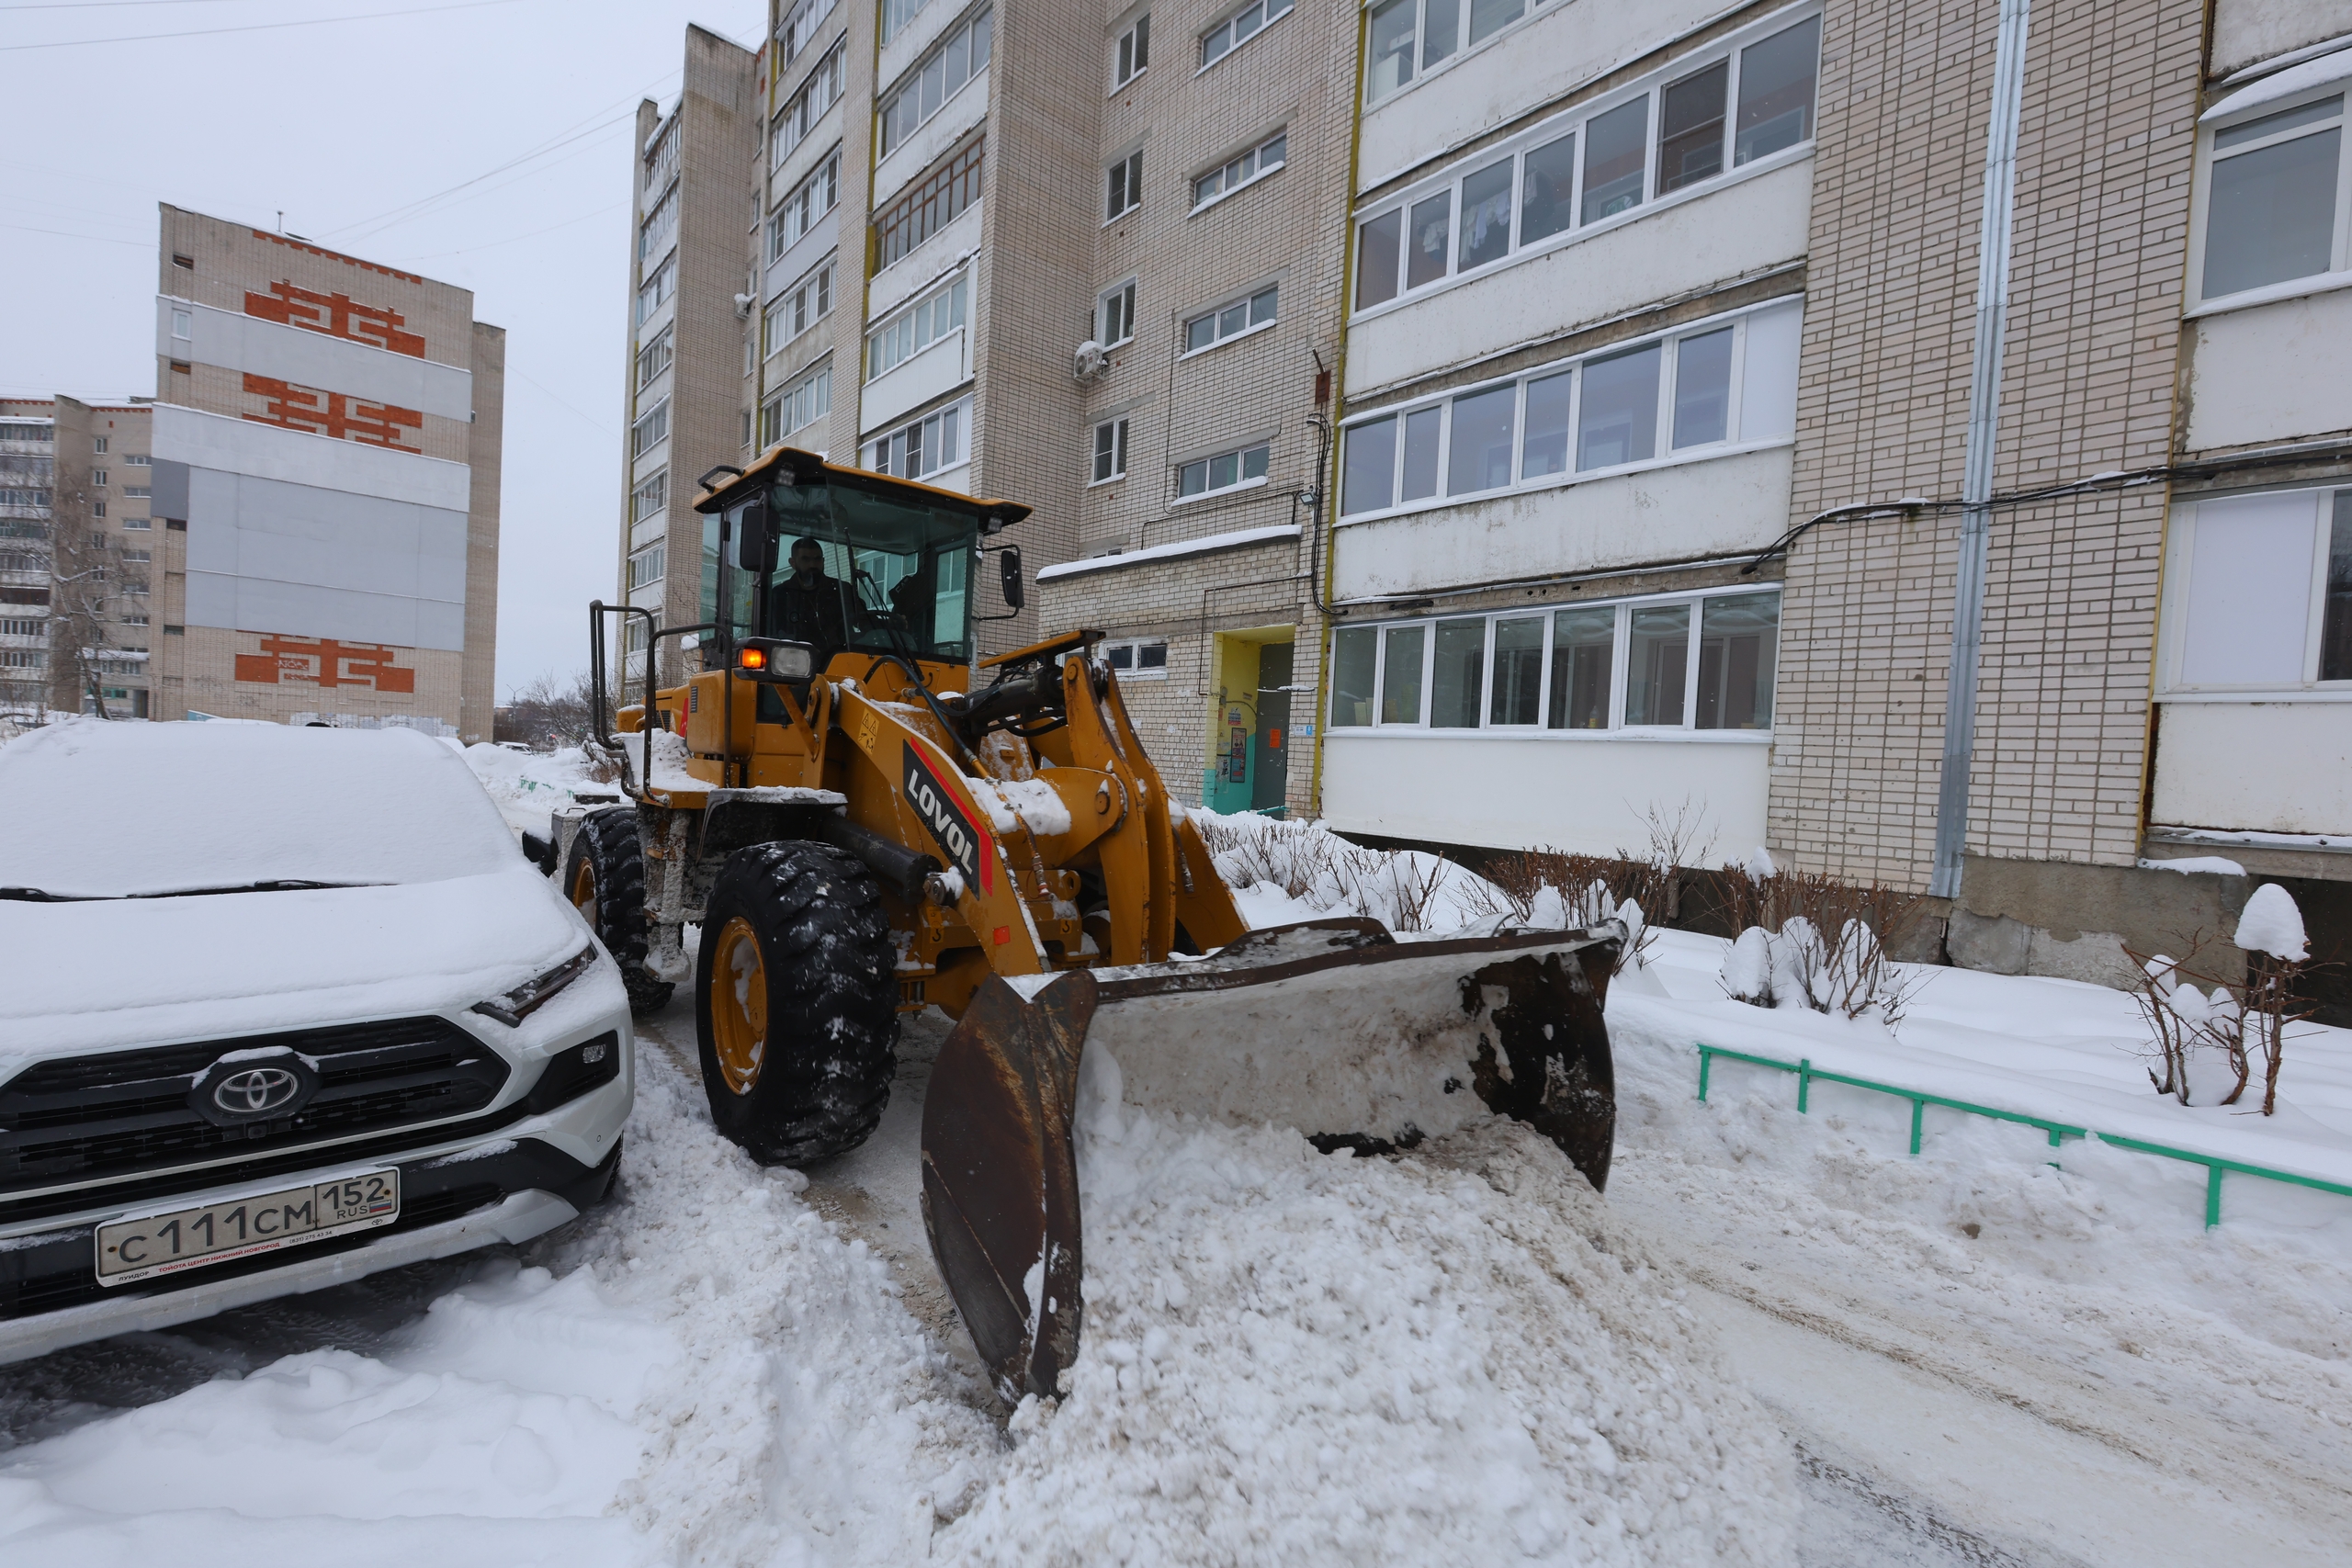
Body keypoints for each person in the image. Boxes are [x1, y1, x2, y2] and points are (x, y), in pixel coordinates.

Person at [770, 536, 850, 660]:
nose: (812, 565)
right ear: (793, 562)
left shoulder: (842, 591)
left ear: (823, 561)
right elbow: (773, 636)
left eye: (817, 559)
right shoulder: (779, 596)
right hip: (795, 664)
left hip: (842, 661)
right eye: (805, 559)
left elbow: (864, 622)